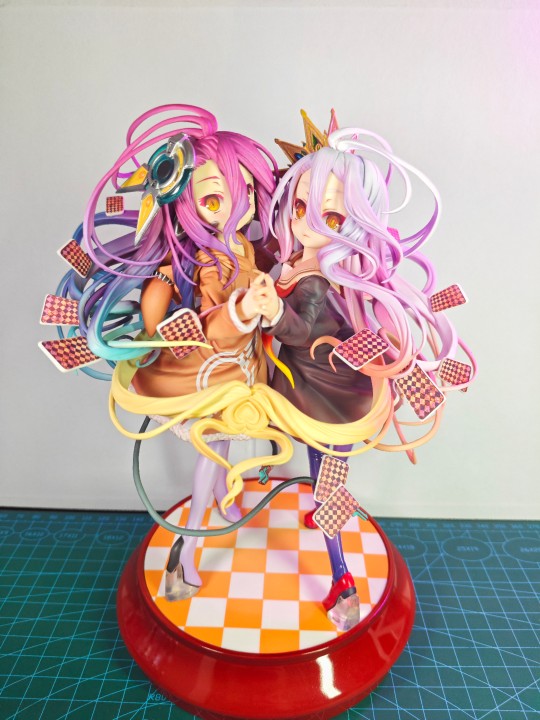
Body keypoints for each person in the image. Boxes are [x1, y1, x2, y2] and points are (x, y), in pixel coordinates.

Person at [250, 112, 476, 628]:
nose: (305, 224)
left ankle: (342, 580)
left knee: (325, 479)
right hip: (314, 378)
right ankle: (321, 520)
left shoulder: (320, 279)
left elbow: (299, 330)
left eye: (329, 217)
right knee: (319, 473)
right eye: (299, 208)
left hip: (324, 395)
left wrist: (273, 310)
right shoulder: (307, 262)